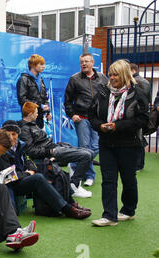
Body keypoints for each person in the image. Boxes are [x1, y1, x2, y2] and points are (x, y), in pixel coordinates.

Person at [89, 59, 149, 227]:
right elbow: (91, 115)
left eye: (115, 74)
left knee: (128, 179)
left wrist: (118, 126)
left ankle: (129, 210)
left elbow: (143, 119)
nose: (112, 77)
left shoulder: (138, 93)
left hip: (129, 144)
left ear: (124, 75)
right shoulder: (102, 92)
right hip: (106, 142)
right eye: (110, 74)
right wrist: (100, 126)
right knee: (108, 179)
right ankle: (109, 216)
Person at [0, 120, 91, 219]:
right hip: (12, 185)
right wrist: (28, 173)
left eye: (14, 134)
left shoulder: (20, 145)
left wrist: (31, 170)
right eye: (8, 135)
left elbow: (29, 161)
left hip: (22, 178)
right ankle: (67, 209)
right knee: (38, 178)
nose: (12, 137)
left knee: (51, 170)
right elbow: (7, 177)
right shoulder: (1, 151)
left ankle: (71, 203)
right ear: (3, 135)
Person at [18, 101, 93, 198]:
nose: (38, 115)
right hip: (50, 152)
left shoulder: (33, 124)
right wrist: (49, 152)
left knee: (90, 152)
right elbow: (30, 151)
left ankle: (73, 178)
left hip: (53, 147)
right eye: (36, 113)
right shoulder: (24, 129)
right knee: (86, 155)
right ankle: (74, 185)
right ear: (30, 114)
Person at [64, 53, 108, 187]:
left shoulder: (102, 78)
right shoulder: (74, 79)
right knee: (84, 147)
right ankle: (89, 176)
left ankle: (74, 163)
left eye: (87, 61)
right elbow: (67, 100)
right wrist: (72, 114)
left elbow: (108, 96)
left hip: (98, 119)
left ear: (92, 62)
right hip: (81, 118)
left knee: (95, 146)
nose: (84, 64)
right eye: (82, 62)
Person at [16, 54, 50, 129]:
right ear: (33, 65)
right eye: (41, 64)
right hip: (29, 119)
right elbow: (22, 100)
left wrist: (47, 111)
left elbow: (45, 98)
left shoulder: (41, 80)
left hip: (40, 119)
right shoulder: (23, 79)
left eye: (43, 64)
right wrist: (40, 106)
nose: (43, 66)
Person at [130, 63, 151, 172]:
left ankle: (138, 164)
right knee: (139, 138)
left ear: (133, 70)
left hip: (137, 114)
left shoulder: (137, 82)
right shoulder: (144, 81)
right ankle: (139, 164)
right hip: (142, 114)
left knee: (138, 139)